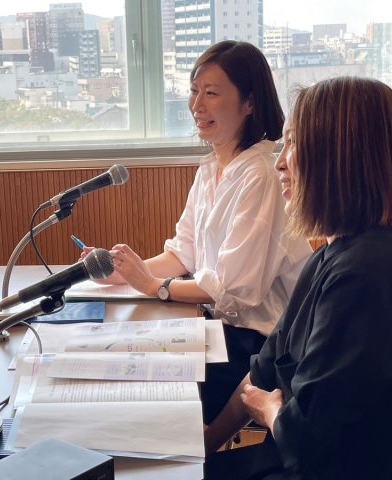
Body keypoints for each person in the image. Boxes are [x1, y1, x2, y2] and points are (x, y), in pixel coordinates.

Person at [203, 76, 392, 480]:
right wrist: (207, 442)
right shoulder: (332, 255)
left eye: (294, 144)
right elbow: (262, 371)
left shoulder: (366, 276)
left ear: (341, 159)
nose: (280, 162)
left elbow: (303, 438)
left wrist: (269, 409)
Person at [82, 40, 312, 423]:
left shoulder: (259, 176)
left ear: (250, 103)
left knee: (146, 381)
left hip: (261, 344)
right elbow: (181, 254)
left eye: (212, 93)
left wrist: (153, 285)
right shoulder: (210, 169)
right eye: (193, 91)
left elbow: (231, 290)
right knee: (125, 351)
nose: (197, 106)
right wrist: (124, 272)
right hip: (220, 328)